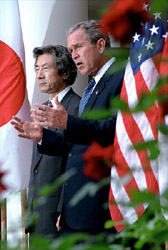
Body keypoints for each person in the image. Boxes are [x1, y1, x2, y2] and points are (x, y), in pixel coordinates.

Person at [11, 20, 124, 235]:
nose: (73, 55)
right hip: (77, 212)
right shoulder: (94, 86)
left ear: (100, 45)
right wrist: (44, 137)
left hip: (98, 209)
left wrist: (68, 122)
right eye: (71, 49)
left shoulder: (119, 79)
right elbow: (76, 150)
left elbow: (115, 132)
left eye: (78, 47)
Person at [23, 45, 80, 238]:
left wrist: (65, 208)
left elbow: (75, 163)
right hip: (38, 215)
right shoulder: (42, 109)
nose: (39, 75)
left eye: (45, 68)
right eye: (37, 69)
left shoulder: (78, 108)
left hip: (61, 217)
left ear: (64, 72)